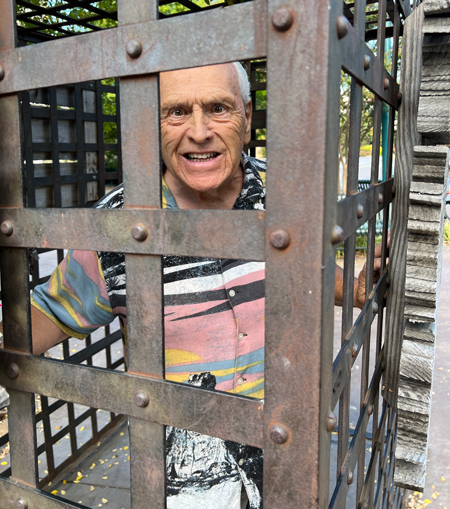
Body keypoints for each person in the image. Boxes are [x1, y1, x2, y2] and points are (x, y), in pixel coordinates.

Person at [13, 63, 382, 508]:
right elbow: (44, 317)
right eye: (176, 112)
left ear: (246, 117)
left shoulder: (286, 195)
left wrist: (356, 291)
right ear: (154, 125)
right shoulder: (118, 226)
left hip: (290, 456)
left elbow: (310, 272)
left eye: (218, 108)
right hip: (186, 486)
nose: (199, 131)